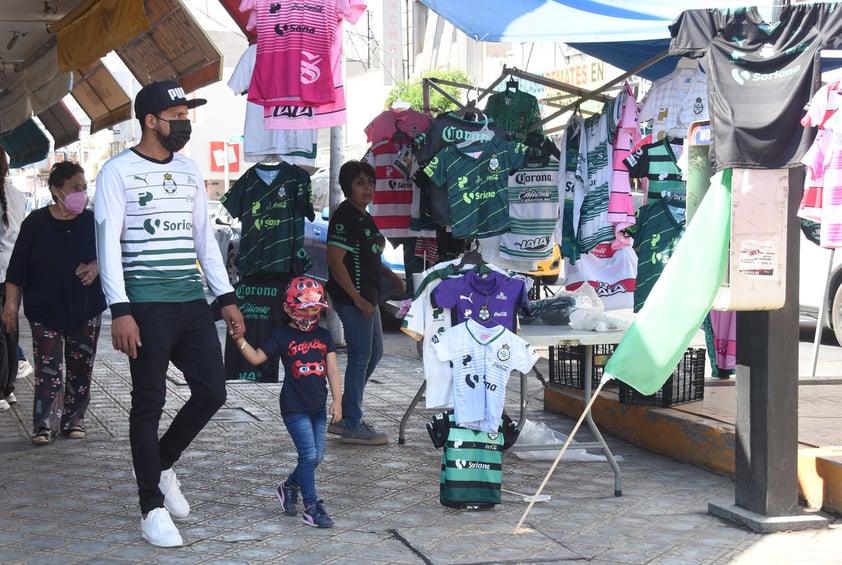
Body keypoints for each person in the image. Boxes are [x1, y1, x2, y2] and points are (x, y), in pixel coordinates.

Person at [94, 80, 245, 548]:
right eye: (176, 114)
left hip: (190, 301)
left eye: (187, 113)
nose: (185, 122)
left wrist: (225, 297)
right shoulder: (116, 172)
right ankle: (150, 507)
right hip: (145, 305)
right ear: (151, 121)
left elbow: (204, 239)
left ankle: (160, 464)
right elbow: (108, 246)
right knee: (148, 403)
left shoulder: (188, 170)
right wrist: (120, 310)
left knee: (212, 391)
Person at [3, 162, 105, 443]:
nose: (81, 194)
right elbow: (17, 269)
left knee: (80, 368)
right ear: (56, 189)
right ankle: (44, 424)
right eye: (75, 188)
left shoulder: (91, 222)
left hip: (86, 308)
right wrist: (11, 305)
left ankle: (74, 419)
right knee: (48, 369)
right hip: (44, 311)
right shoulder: (35, 223)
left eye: (84, 188)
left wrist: (96, 266)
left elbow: (110, 255)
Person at [235, 276, 342, 528]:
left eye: (315, 308)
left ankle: (289, 487)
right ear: (288, 309)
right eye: (304, 308)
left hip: (317, 407)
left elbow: (334, 371)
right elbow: (257, 358)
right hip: (294, 407)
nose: (310, 312)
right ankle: (312, 507)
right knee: (307, 454)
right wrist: (239, 339)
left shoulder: (325, 336)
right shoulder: (281, 335)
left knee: (317, 457)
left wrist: (338, 401)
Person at [325, 160, 404, 445]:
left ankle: (345, 414)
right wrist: (357, 299)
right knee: (360, 357)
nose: (367, 187)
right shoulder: (345, 215)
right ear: (347, 187)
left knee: (374, 353)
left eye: (370, 182)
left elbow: (368, 253)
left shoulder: (363, 215)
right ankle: (352, 423)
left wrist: (389, 274)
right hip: (353, 298)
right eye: (360, 183)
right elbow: (335, 262)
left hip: (369, 297)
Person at [0, 147, 26, 413]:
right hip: (14, 273)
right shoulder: (17, 195)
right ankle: (9, 389)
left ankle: (2, 390)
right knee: (10, 329)